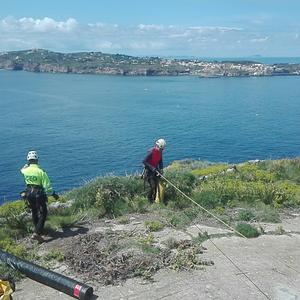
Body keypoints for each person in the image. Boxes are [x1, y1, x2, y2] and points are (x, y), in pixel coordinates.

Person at [20, 150, 59, 243]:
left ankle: (39, 231)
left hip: (29, 193)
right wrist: (53, 194)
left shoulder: (25, 171)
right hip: (38, 194)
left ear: (28, 160)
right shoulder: (41, 171)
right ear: (37, 160)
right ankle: (37, 233)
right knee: (44, 212)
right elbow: (47, 187)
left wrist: (26, 165)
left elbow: (22, 170)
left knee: (34, 211)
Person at [143, 138, 166, 203]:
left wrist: (161, 169)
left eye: (162, 149)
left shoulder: (160, 152)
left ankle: (156, 199)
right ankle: (149, 200)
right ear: (158, 146)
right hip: (149, 171)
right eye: (161, 149)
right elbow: (144, 161)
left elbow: (160, 161)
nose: (162, 150)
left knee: (157, 185)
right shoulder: (151, 152)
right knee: (152, 187)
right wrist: (152, 168)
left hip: (156, 170)